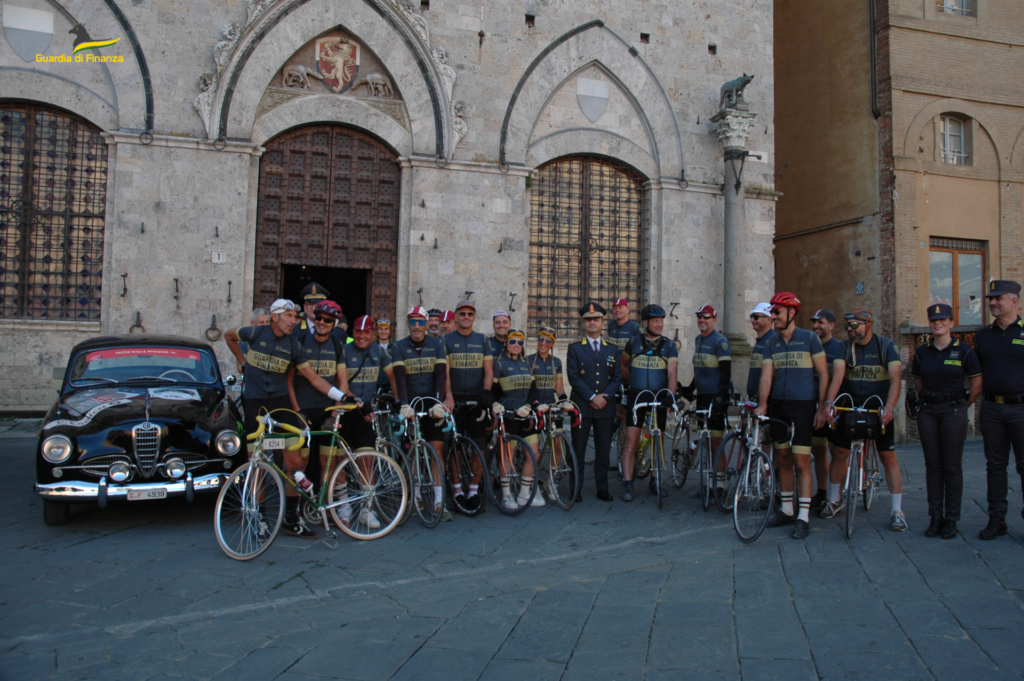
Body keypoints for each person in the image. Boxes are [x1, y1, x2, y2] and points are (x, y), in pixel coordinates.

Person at [224, 299, 348, 537]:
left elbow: (313, 378)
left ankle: (291, 519)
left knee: (293, 463)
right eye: (289, 316)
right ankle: (258, 517)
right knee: (257, 463)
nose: (294, 321)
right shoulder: (254, 332)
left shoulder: (294, 345)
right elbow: (229, 336)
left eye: (295, 316)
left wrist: (340, 396)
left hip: (280, 405)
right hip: (255, 405)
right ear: (275, 316)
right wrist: (242, 361)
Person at [821, 309, 908, 531]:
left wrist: (889, 408)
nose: (850, 329)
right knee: (839, 453)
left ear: (868, 324)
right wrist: (829, 403)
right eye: (847, 326)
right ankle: (833, 499)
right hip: (849, 405)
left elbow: (896, 379)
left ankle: (897, 511)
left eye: (855, 325)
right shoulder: (844, 347)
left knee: (888, 458)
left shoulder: (886, 346)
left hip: (877, 408)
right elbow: (838, 376)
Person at [755, 292, 829, 539]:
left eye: (776, 312)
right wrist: (762, 404)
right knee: (783, 458)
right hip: (778, 407)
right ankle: (787, 510)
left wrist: (822, 407)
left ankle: (803, 516)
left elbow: (823, 374)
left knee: (801, 462)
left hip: (803, 406)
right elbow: (766, 376)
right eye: (772, 312)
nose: (772, 316)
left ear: (791, 313)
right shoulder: (770, 343)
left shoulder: (809, 339)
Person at [911, 303, 982, 539]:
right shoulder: (922, 352)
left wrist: (961, 406)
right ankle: (935, 517)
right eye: (933, 321)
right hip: (929, 411)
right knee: (933, 466)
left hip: (953, 410)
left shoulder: (964, 351)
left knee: (951, 467)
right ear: (929, 324)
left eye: (942, 320)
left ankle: (951, 519)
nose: (938, 324)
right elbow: (918, 381)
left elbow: (976, 385)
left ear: (951, 322)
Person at [285, 300, 346, 537]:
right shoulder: (300, 342)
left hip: (327, 411)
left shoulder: (338, 345)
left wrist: (335, 412)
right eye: (318, 318)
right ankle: (295, 511)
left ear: (334, 323)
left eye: (327, 320)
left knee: (326, 463)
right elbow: (290, 379)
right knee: (298, 464)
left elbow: (342, 380)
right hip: (303, 409)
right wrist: (297, 410)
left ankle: (323, 508)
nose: (321, 322)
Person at [973, 279, 1024, 540]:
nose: (992, 302)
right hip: (992, 408)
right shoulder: (983, 336)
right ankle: (996, 519)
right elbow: (976, 372)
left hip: (1021, 409)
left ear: (1014, 301)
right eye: (990, 298)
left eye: (998, 298)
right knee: (995, 467)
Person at [391, 306, 452, 522]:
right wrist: (404, 405)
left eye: (420, 321)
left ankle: (438, 501)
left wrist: (438, 401)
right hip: (411, 405)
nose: (416, 326)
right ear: (408, 323)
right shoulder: (398, 346)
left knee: (436, 450)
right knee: (415, 450)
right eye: (412, 321)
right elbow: (399, 376)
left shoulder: (437, 344)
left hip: (432, 404)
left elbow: (440, 374)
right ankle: (414, 497)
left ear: (427, 323)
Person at [619, 304, 679, 501]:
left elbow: (672, 374)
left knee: (658, 441)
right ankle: (628, 484)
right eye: (655, 321)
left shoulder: (669, 346)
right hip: (637, 396)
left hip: (658, 398)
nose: (660, 324)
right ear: (645, 323)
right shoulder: (633, 343)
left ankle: (655, 479)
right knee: (631, 442)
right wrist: (630, 382)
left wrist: (670, 395)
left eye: (662, 321)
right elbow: (623, 364)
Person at [567, 302, 622, 502]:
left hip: (605, 408)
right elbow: (574, 377)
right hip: (582, 406)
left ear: (602, 322)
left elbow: (617, 378)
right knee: (578, 449)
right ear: (583, 323)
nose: (592, 323)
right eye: (588, 320)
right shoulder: (574, 348)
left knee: (603, 451)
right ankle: (576, 488)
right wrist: (592, 397)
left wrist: (603, 397)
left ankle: (602, 488)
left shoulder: (613, 349)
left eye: (596, 319)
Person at [443, 299, 494, 512]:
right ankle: (457, 490)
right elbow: (444, 373)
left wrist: (486, 392)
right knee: (455, 448)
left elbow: (489, 370)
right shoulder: (446, 341)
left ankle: (473, 490)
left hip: (476, 401)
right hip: (454, 401)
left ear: (474, 317)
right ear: (456, 316)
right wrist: (448, 396)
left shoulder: (483, 340)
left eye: (470, 314)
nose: (466, 317)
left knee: (479, 449)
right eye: (462, 313)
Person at [490, 329, 545, 509]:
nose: (516, 346)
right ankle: (506, 495)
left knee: (533, 454)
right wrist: (503, 407)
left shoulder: (526, 363)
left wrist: (530, 405)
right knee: (508, 456)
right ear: (506, 343)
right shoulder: (499, 364)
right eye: (512, 342)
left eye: (520, 343)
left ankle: (523, 493)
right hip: (510, 415)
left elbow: (533, 388)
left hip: (526, 414)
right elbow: (493, 391)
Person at [683, 304, 732, 458]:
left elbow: (726, 373)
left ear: (714, 319)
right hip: (703, 395)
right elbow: (699, 368)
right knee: (706, 437)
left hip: (716, 395)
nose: (702, 320)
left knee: (716, 442)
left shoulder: (720, 341)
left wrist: (719, 398)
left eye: (706, 317)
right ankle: (709, 476)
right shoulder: (698, 340)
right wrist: (690, 388)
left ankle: (720, 481)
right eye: (699, 316)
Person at [809, 308, 843, 510]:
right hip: (814, 406)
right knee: (818, 450)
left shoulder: (839, 348)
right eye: (814, 322)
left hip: (835, 409)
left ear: (831, 325)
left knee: (837, 452)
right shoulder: (810, 347)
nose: (816, 326)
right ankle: (822, 492)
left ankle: (836, 494)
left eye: (820, 322)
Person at [607, 298, 643, 436]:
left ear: (628, 309)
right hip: (613, 375)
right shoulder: (611, 325)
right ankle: (615, 433)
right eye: (615, 307)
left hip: (628, 375)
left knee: (628, 413)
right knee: (617, 410)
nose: (617, 310)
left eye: (620, 307)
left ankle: (627, 440)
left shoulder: (635, 328)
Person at [746, 302, 775, 401]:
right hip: (754, 396)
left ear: (768, 319)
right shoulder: (760, 340)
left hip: (764, 398)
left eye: (756, 317)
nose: (752, 320)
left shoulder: (772, 340)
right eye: (751, 317)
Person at [374, 318, 393, 393]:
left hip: (391, 385)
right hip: (375, 385)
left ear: (390, 331)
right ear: (376, 331)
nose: (383, 332)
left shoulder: (396, 346)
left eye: (386, 329)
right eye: (380, 329)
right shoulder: (371, 347)